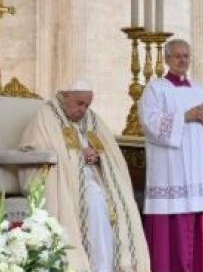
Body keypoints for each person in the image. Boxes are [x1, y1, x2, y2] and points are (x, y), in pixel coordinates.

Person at [18, 81, 150, 272]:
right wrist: (78, 156)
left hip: (94, 177)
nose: (83, 110)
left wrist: (98, 157)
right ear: (65, 96)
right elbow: (37, 150)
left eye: (87, 105)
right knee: (94, 200)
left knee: (120, 202)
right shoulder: (47, 116)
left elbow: (111, 155)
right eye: (79, 103)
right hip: (61, 180)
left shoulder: (91, 120)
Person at [140, 39, 203, 272]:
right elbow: (149, 122)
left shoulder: (200, 91)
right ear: (166, 59)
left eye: (186, 56)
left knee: (200, 225)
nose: (182, 60)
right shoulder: (156, 89)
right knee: (173, 224)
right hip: (170, 170)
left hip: (198, 168)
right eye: (177, 56)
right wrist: (183, 117)